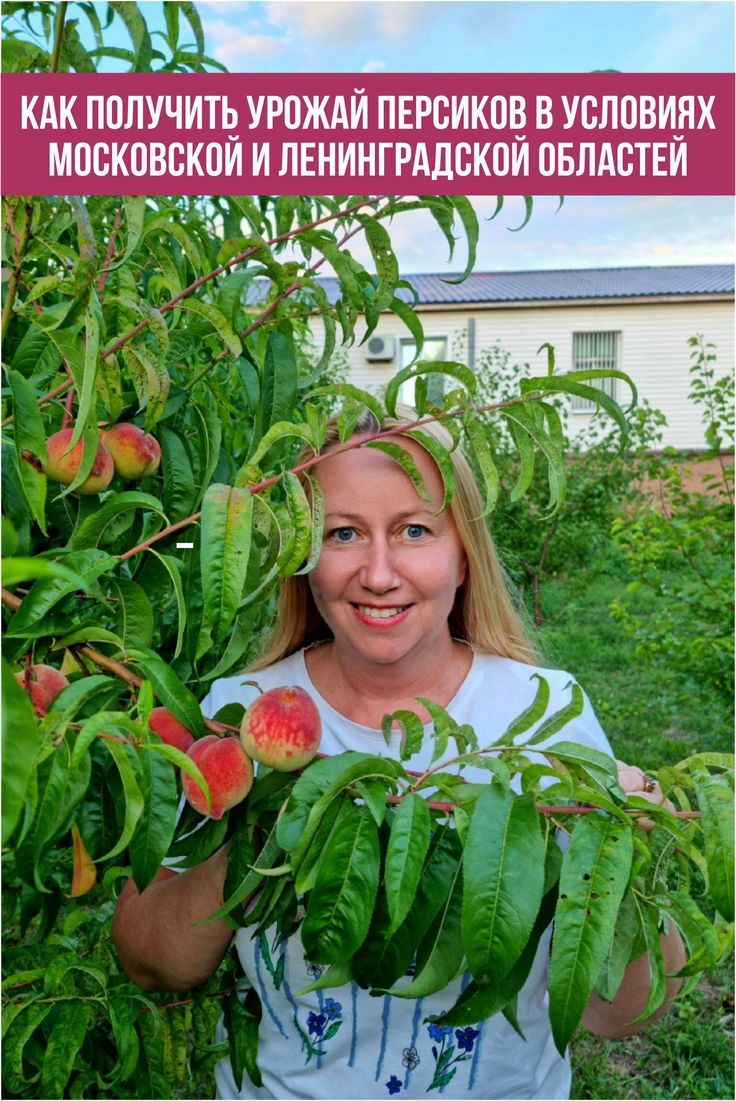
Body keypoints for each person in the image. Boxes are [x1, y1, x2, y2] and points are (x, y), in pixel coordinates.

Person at [113, 407, 685, 1100]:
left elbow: (619, 1015)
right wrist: (254, 834)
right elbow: (150, 961)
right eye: (343, 533)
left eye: (414, 530)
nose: (378, 574)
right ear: (303, 557)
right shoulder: (240, 715)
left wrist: (627, 860)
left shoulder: (541, 715)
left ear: (464, 554)